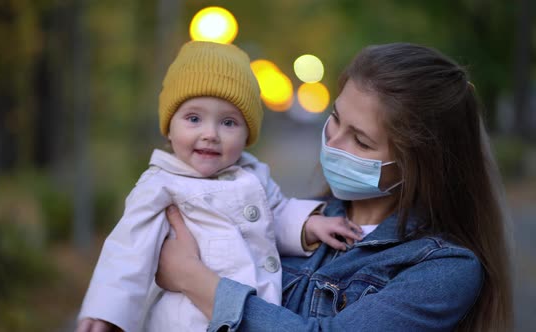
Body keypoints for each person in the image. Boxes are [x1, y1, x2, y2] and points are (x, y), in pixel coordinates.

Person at [155, 42, 514, 331]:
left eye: (360, 141)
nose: (333, 143)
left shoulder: (445, 268)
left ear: (420, 164)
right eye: (336, 119)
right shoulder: (298, 219)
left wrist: (192, 278)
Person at [76, 40, 363, 332]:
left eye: (228, 123)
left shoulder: (253, 175)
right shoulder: (160, 185)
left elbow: (277, 213)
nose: (210, 134)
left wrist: (309, 225)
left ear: (247, 133)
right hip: (185, 321)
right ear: (169, 127)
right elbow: (128, 251)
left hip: (250, 312)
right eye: (194, 119)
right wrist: (107, 312)